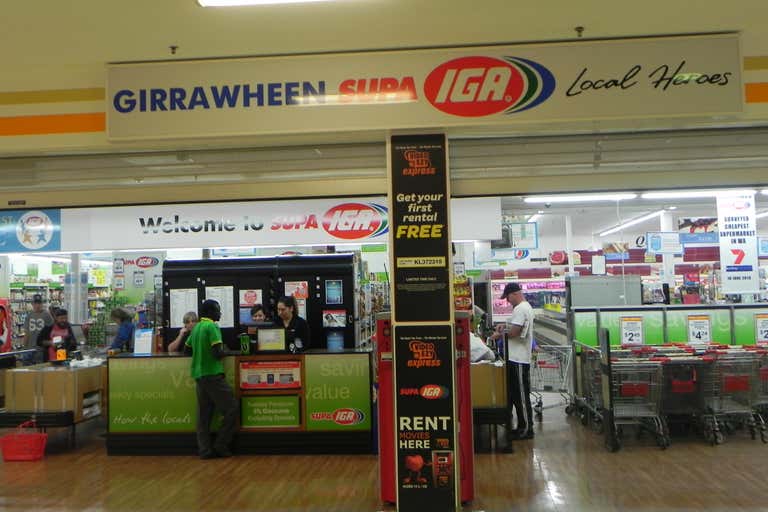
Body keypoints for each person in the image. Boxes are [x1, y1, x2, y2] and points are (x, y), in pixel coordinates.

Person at [186, 299, 238, 459]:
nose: (220, 313)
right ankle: (221, 445)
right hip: (213, 375)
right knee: (232, 408)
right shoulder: (212, 327)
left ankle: (204, 450)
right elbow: (217, 353)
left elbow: (187, 350)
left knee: (203, 415)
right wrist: (228, 351)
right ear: (210, 312)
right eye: (218, 310)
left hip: (199, 376)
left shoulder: (196, 328)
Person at [490, 282, 535, 441]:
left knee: (521, 396)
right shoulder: (523, 307)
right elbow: (515, 326)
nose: (508, 301)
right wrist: (505, 325)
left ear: (515, 293)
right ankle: (521, 426)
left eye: (508, 297)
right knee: (516, 395)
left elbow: (515, 332)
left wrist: (499, 335)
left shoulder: (521, 309)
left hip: (519, 359)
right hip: (515, 358)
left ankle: (527, 429)